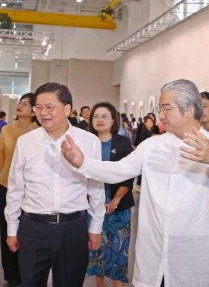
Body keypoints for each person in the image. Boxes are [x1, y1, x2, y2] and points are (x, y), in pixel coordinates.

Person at [61, 79, 209, 287]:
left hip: (191, 253)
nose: (160, 115)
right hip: (153, 250)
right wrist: (82, 162)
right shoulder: (153, 145)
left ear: (190, 110)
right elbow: (119, 170)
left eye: (166, 108)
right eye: (160, 108)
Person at [4, 83, 105, 287]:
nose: (43, 113)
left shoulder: (89, 142)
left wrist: (96, 226)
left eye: (50, 107)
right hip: (33, 228)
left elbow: (96, 187)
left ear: (67, 109)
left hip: (73, 229)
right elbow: (16, 188)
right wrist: (12, 228)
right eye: (38, 107)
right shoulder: (26, 142)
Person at [86, 102, 134, 287]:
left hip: (119, 207)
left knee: (118, 250)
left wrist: (116, 199)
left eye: (104, 116)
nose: (99, 119)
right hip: (93, 207)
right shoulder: (88, 141)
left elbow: (129, 174)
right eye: (96, 116)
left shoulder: (122, 143)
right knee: (97, 250)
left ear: (113, 120)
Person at [0, 94, 38, 286]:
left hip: (32, 189)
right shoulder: (6, 130)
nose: (20, 105)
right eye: (20, 102)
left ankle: (27, 271)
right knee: (8, 228)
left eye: (26, 104)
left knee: (28, 230)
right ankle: (12, 273)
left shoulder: (39, 132)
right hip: (7, 186)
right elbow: (1, 158)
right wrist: (11, 178)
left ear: (33, 111)